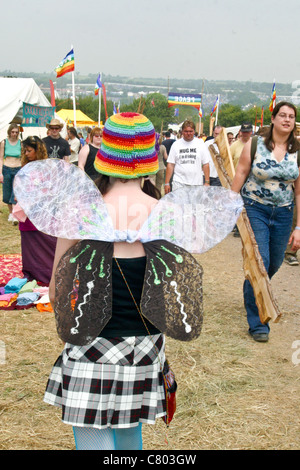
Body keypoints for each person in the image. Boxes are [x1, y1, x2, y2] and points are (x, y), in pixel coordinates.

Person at [14, 113, 242, 451]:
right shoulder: (167, 213)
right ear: (151, 160)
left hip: (90, 346)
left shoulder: (81, 211)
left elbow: (56, 291)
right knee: (128, 437)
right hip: (145, 350)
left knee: (94, 440)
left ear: (104, 157)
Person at [231, 102, 300, 343]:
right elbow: (241, 171)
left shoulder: (298, 150)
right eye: (282, 115)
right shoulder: (256, 144)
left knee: (274, 263)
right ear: (273, 118)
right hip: (254, 208)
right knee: (261, 263)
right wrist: (231, 202)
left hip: (283, 213)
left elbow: (299, 192)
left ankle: (251, 287)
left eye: (291, 116)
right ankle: (259, 322)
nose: (287, 120)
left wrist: (298, 227)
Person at [14, 136, 57, 284]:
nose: (26, 153)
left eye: (29, 150)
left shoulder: (48, 167)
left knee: (48, 243)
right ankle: (32, 272)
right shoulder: (25, 167)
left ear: (38, 150)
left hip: (43, 210)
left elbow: (53, 188)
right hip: (28, 210)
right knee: (29, 245)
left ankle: (50, 272)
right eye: (25, 150)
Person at [164, 120, 210, 193]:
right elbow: (170, 164)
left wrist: (207, 182)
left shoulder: (200, 144)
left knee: (194, 204)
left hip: (196, 183)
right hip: (179, 183)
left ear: (194, 131)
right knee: (179, 204)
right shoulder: (176, 145)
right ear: (182, 131)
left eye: (191, 131)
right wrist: (167, 183)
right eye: (186, 131)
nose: (188, 133)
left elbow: (206, 164)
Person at [0, 123, 22, 224]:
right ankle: (10, 212)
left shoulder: (20, 143)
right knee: (7, 192)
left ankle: (14, 214)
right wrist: (0, 172)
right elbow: (1, 158)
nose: (14, 134)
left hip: (17, 168)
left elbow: (22, 158)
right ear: (9, 132)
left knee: (15, 192)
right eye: (13, 132)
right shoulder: (4, 142)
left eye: (16, 132)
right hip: (6, 168)